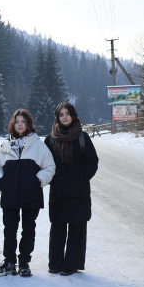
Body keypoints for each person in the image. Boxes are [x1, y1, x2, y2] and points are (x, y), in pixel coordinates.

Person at [0, 109, 56, 277]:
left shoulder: (38, 145)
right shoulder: (5, 145)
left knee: (28, 229)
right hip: (10, 194)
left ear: (28, 124)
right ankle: (9, 262)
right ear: (13, 124)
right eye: (17, 121)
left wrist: (37, 181)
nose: (20, 124)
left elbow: (49, 167)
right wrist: (1, 181)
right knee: (9, 229)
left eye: (23, 122)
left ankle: (25, 262)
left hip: (31, 194)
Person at [44, 102, 99, 276]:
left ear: (73, 115)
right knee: (58, 226)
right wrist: (52, 179)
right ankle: (55, 263)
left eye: (67, 113)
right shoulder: (50, 139)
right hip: (58, 191)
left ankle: (71, 264)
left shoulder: (82, 138)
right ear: (57, 117)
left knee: (77, 228)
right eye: (61, 114)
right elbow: (44, 163)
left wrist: (81, 178)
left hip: (79, 191)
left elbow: (92, 162)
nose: (65, 117)